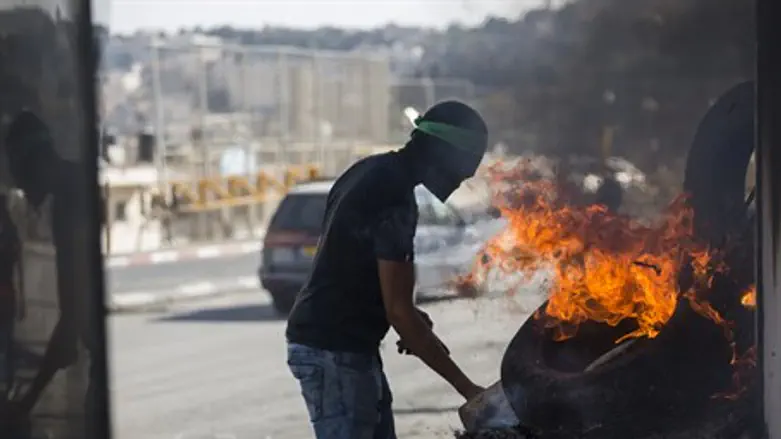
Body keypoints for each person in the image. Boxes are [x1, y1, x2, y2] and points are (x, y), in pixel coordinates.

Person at [286, 100, 489, 439]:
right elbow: (399, 311)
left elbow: (355, 263)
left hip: (344, 346)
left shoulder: (369, 170)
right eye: (464, 169)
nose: (463, 179)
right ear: (445, 153)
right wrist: (469, 389)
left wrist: (406, 317)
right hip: (336, 352)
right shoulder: (395, 196)